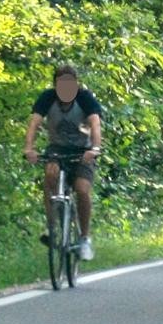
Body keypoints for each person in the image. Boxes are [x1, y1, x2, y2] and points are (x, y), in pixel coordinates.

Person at [23, 65, 103, 261]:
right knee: (50, 175)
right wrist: (29, 148)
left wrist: (95, 148)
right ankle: (52, 228)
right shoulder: (47, 98)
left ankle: (84, 238)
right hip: (57, 149)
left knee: (82, 189)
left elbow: (95, 123)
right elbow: (34, 123)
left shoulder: (85, 98)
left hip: (83, 151)